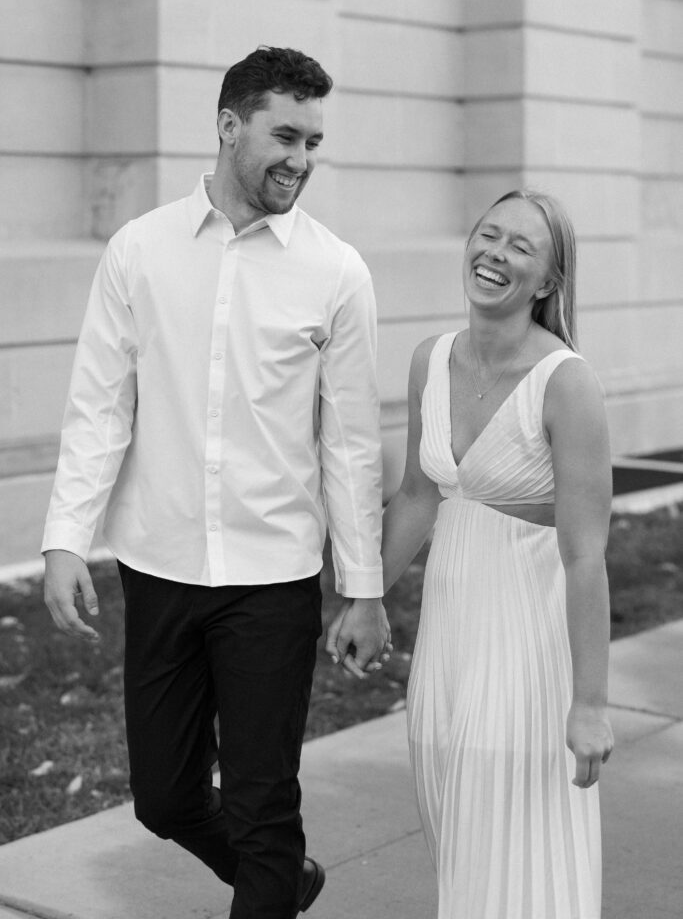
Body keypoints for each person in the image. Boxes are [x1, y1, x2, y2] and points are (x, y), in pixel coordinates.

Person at [42, 46, 390, 919]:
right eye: (284, 135)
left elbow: (350, 443)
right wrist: (64, 539)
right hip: (159, 565)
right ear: (230, 126)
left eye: (313, 141)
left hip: (271, 578)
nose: (300, 160)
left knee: (264, 807)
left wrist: (364, 588)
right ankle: (285, 885)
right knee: (164, 799)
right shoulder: (139, 250)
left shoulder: (336, 271)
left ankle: (272, 878)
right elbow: (99, 408)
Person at [379, 190, 614, 918]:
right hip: (448, 638)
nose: (494, 253)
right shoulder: (431, 359)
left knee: (514, 862)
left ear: (546, 281)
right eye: (488, 234)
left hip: (526, 649)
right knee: (457, 844)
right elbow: (419, 496)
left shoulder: (565, 383)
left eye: (520, 247)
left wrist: (589, 705)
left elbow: (584, 556)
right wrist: (363, 598)